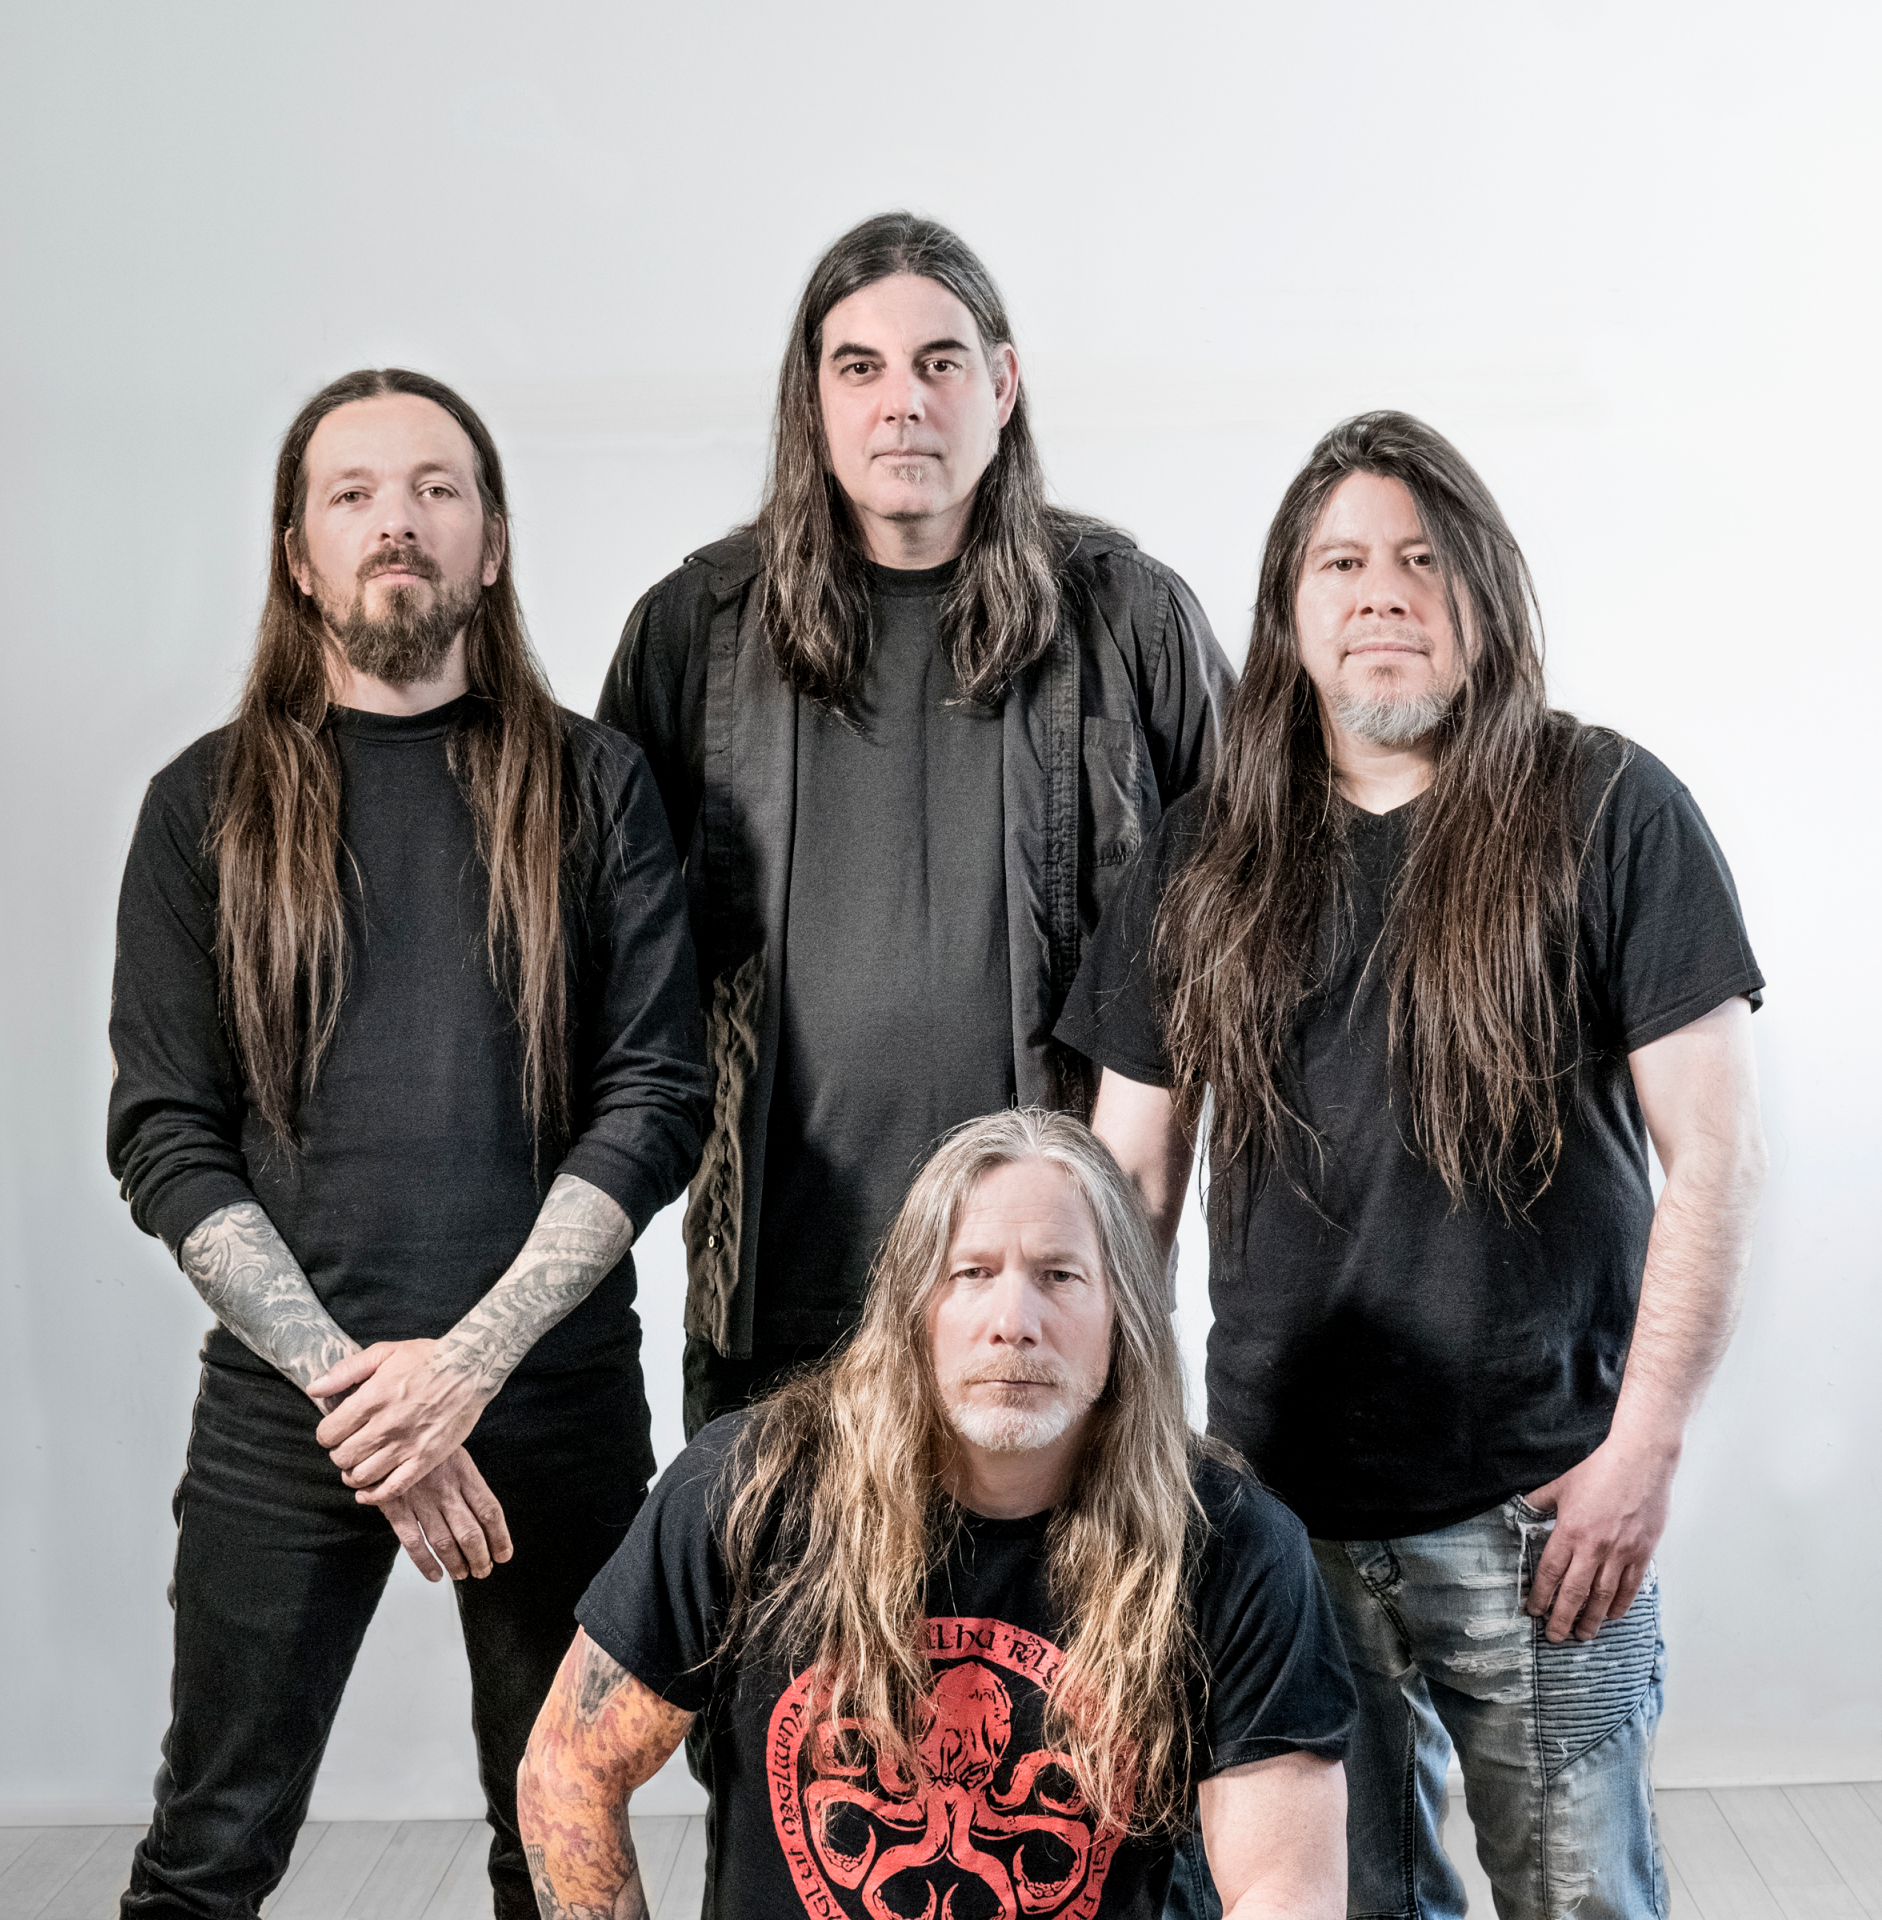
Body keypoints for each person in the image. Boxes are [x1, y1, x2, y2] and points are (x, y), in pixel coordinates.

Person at [1056, 410, 1769, 1920]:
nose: (1383, 589)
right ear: (1290, 607)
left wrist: (1641, 1455)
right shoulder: (1203, 853)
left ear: (1484, 595)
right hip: (1275, 1517)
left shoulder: (1607, 808)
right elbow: (1128, 1187)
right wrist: (1131, 1467)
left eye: (1423, 559)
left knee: (1582, 1902)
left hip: (1543, 1510)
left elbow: (1715, 1154)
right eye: (1343, 562)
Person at [106, 368, 710, 1919]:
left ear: (491, 544)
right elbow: (166, 1136)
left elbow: (657, 1100)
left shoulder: (597, 787)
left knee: (559, 1838)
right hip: (288, 1415)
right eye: (355, 493)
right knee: (209, 1848)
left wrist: (469, 1369)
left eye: (438, 489)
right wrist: (367, 1399)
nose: (399, 521)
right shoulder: (202, 807)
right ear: (298, 553)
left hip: (553, 1399)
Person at [598, 211, 1233, 1436]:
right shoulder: (695, 630)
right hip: (780, 1306)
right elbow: (603, 965)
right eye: (862, 367)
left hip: (1042, 1310)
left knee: (1050, 1581)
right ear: (814, 398)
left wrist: (1148, 1256)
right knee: (777, 1576)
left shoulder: (1129, 621)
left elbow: (1255, 905)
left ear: (1003, 385)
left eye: (941, 362)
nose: (904, 403)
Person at [518, 1109, 1356, 1919]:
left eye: (1060, 1276)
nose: (1014, 1324)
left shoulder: (1231, 1543)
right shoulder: (747, 1485)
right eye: (972, 1273)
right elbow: (568, 1775)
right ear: (911, 1310)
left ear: (1123, 1314)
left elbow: (1285, 1887)